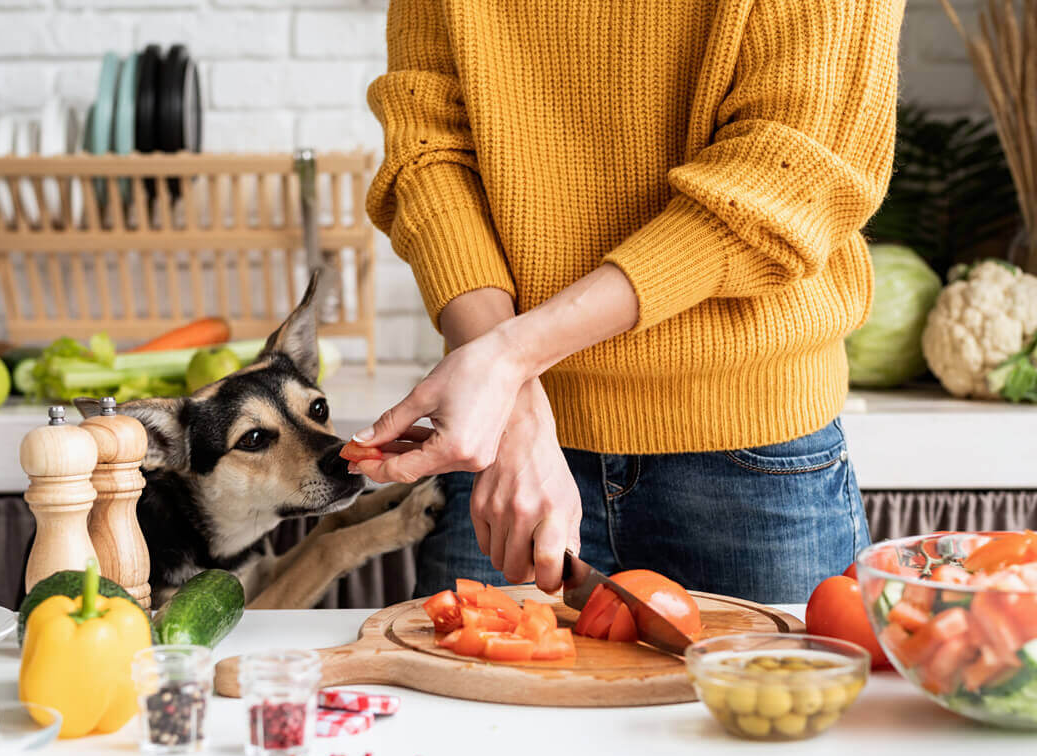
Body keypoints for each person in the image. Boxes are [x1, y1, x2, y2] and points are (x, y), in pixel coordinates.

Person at [355, 0, 904, 604]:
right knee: (467, 697)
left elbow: (785, 175)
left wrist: (508, 362)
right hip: (505, 446)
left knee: (765, 700)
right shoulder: (508, 413)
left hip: (750, 455)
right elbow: (427, 150)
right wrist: (513, 409)